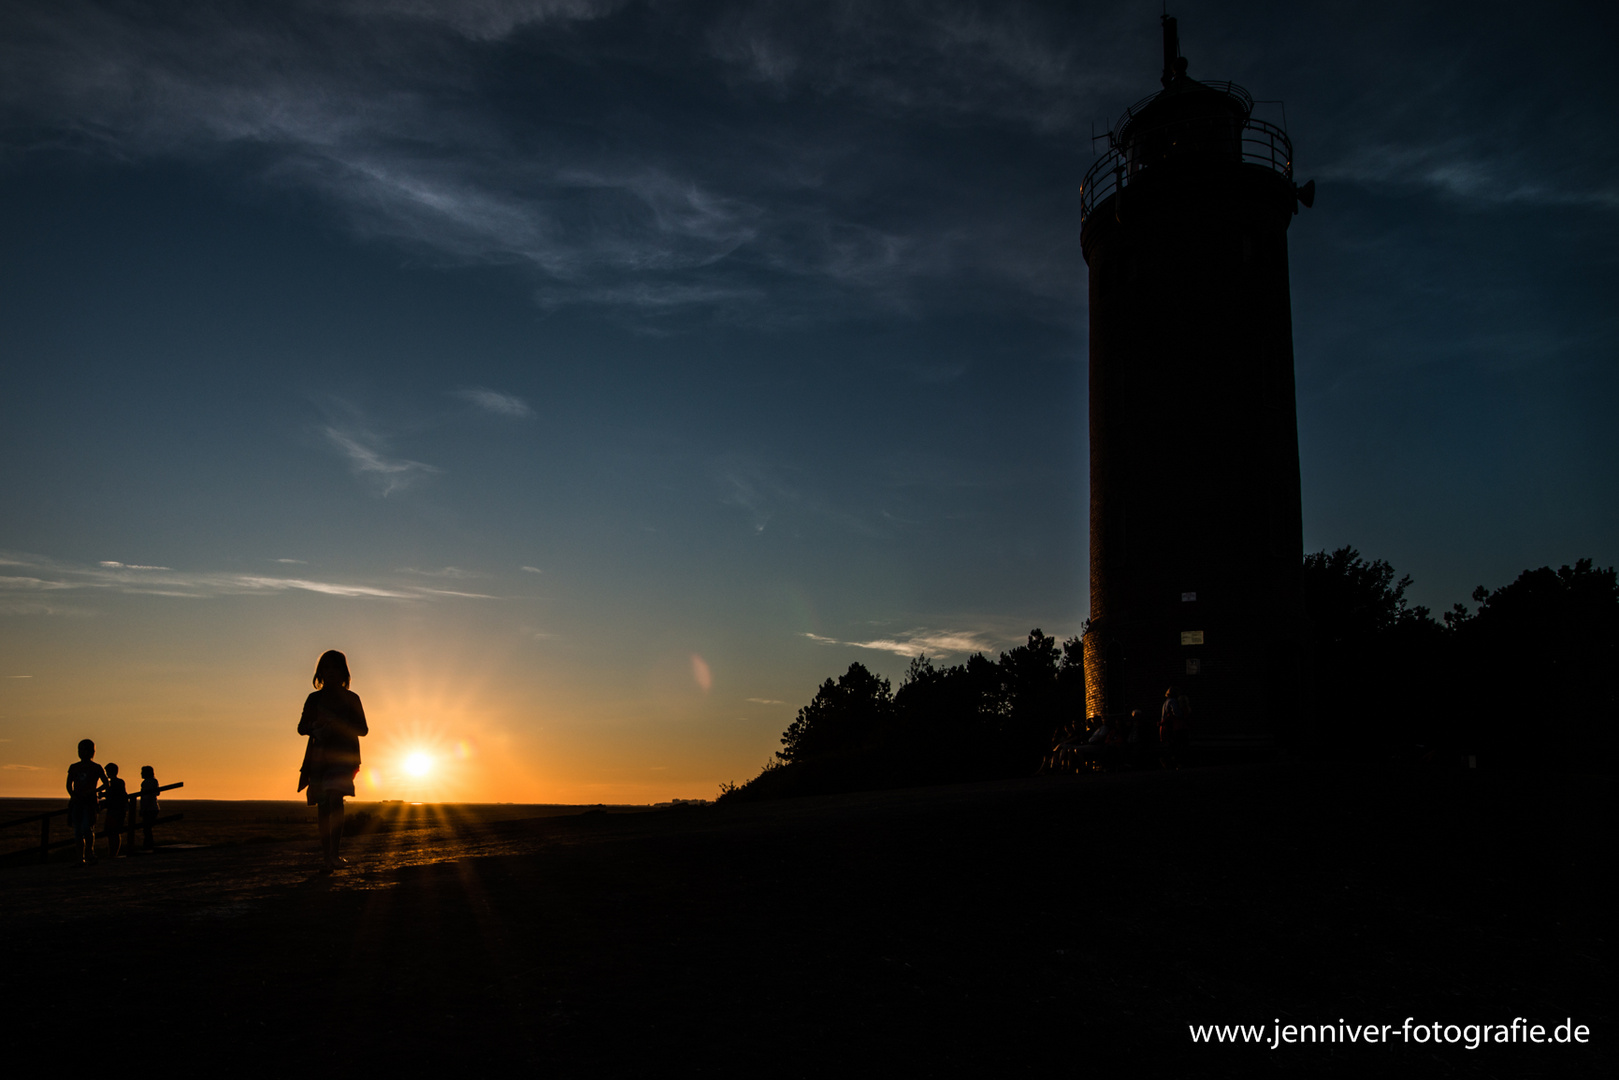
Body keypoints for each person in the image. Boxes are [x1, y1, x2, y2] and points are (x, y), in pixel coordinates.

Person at [298, 649, 369, 873]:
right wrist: (316, 727)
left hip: (343, 758)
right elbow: (301, 728)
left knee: (335, 799)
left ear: (343, 673)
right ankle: (327, 855)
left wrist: (338, 725)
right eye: (326, 668)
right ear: (320, 672)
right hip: (319, 757)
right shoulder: (313, 699)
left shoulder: (352, 699)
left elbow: (363, 730)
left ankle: (335, 854)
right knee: (323, 804)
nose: (330, 672)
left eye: (334, 668)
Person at [66, 739, 107, 865]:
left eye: (84, 750)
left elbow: (106, 783)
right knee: (78, 830)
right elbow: (68, 785)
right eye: (80, 750)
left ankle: (89, 853)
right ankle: (80, 857)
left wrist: (93, 792)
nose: (81, 752)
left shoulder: (96, 767)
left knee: (87, 829)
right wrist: (73, 796)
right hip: (78, 802)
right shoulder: (74, 767)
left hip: (89, 802)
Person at [104, 763, 129, 858]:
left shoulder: (112, 783)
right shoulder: (120, 782)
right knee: (116, 833)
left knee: (111, 833)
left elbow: (111, 795)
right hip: (120, 810)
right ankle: (114, 854)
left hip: (113, 810)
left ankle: (112, 854)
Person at [138, 765, 160, 852]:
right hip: (153, 807)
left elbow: (146, 797)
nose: (141, 774)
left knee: (147, 828)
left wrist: (143, 809)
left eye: (142, 772)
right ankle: (148, 845)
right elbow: (157, 793)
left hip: (149, 808)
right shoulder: (154, 781)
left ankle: (148, 846)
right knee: (147, 828)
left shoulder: (146, 783)